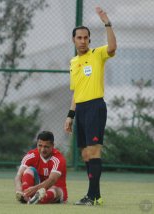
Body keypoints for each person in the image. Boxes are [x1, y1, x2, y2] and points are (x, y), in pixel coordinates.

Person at [64, 6, 117, 206]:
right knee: (86, 154)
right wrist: (70, 115)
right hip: (81, 111)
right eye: (79, 37)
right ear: (74, 40)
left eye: (86, 37)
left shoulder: (97, 54)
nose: (83, 40)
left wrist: (107, 22)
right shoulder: (73, 62)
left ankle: (92, 196)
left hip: (95, 107)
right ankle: (95, 196)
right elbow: (76, 92)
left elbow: (112, 47)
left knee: (93, 151)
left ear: (90, 39)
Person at [14, 131, 68, 204]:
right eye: (40, 145)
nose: (42, 149)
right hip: (35, 191)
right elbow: (18, 175)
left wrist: (35, 188)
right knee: (28, 170)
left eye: (46, 147)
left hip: (56, 192)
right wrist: (18, 189)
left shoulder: (58, 159)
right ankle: (27, 196)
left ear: (52, 145)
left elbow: (52, 180)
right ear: (37, 144)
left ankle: (38, 198)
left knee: (55, 190)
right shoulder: (31, 155)